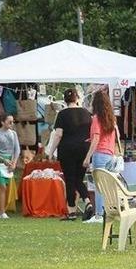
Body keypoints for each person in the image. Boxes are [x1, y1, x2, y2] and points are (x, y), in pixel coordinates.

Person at [48, 88, 92, 220]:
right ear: (77, 98)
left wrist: (51, 151)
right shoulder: (86, 113)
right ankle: (87, 202)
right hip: (84, 148)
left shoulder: (62, 114)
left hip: (67, 149)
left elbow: (58, 134)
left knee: (70, 180)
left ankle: (72, 211)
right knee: (79, 179)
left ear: (65, 100)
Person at [83, 91, 118, 224]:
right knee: (108, 186)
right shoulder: (110, 118)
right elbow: (111, 138)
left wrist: (87, 157)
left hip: (100, 154)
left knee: (99, 186)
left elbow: (97, 138)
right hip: (109, 153)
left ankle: (98, 215)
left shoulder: (96, 118)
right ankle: (107, 211)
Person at [0, 114, 20, 219]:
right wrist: (2, 159)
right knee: (2, 186)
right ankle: (1, 211)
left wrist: (14, 162)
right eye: (9, 122)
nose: (12, 124)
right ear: (3, 122)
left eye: (13, 122)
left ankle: (2, 210)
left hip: (9, 162)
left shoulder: (13, 134)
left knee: (5, 187)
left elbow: (17, 149)